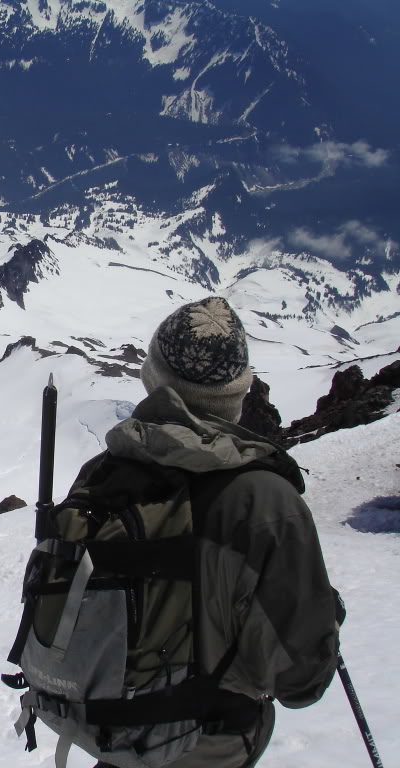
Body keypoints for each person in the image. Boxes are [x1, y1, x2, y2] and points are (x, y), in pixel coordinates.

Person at [85, 296, 341, 768]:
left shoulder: (101, 474)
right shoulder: (263, 502)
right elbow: (302, 681)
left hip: (110, 734)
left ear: (152, 379)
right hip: (207, 746)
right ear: (239, 393)